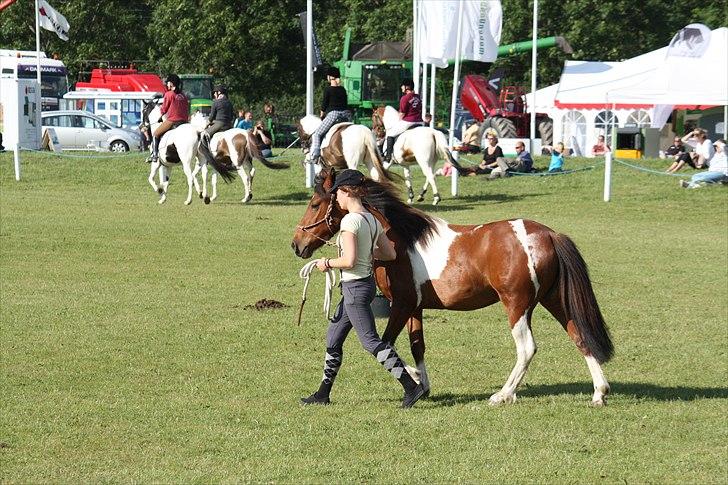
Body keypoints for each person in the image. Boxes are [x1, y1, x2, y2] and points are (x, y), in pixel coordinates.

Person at [300, 169, 425, 408]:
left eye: (337, 193)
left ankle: (411, 387)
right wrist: (365, 252)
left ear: (347, 191)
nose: (335, 198)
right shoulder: (371, 218)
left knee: (370, 341)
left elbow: (347, 261)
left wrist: (325, 262)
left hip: (354, 288)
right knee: (333, 338)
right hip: (362, 285)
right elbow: (389, 253)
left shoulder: (349, 221)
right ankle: (322, 393)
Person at [307, 67, 352, 162]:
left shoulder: (328, 89)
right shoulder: (343, 89)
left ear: (330, 77)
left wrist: (322, 115)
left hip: (334, 115)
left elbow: (324, 105)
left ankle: (315, 155)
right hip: (346, 116)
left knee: (317, 134)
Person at [149, 74, 189, 163]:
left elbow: (164, 110)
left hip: (173, 121)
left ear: (171, 84)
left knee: (155, 134)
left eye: (168, 83)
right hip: (184, 121)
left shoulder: (169, 94)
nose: (167, 85)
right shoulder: (183, 95)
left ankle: (154, 155)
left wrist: (160, 108)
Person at [383, 79, 423, 162]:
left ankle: (388, 156)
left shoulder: (404, 98)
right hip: (420, 121)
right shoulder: (418, 97)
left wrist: (398, 121)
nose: (401, 87)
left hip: (408, 121)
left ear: (407, 87)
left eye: (402, 86)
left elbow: (402, 114)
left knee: (390, 134)